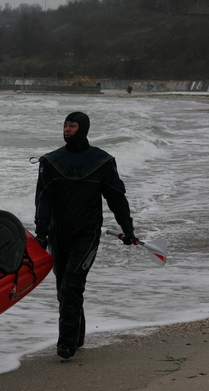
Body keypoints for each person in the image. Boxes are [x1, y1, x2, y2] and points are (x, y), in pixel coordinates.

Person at [34, 112, 137, 360]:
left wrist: (128, 228)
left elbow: (116, 198)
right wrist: (41, 233)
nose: (67, 129)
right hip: (59, 234)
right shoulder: (51, 161)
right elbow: (43, 200)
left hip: (87, 233)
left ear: (83, 128)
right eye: (65, 125)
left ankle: (66, 344)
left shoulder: (102, 161)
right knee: (64, 288)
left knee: (72, 283)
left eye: (72, 125)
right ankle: (77, 335)